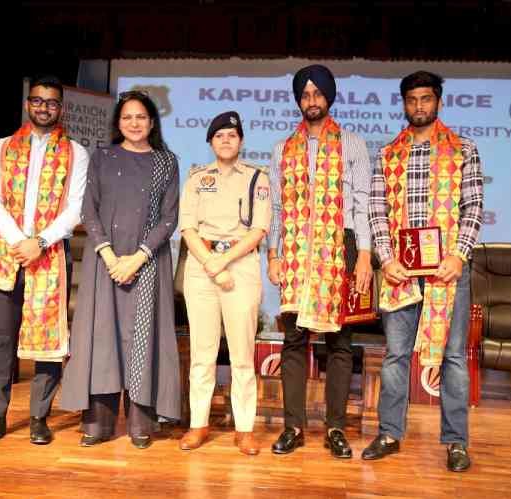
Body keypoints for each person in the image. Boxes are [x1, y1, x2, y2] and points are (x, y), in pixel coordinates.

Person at [362, 71, 484, 472]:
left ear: (438, 102)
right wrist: (385, 256)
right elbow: (376, 209)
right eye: (412, 100)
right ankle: (389, 432)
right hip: (401, 271)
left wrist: (458, 255)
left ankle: (456, 442)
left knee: (452, 357)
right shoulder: (387, 153)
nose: (419, 106)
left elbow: (473, 207)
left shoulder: (463, 149)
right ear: (404, 104)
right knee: (396, 355)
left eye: (426, 99)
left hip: (447, 271)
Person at [59, 90, 181, 449]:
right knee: (104, 339)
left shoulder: (166, 162)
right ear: (118, 123)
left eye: (141, 117)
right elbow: (89, 210)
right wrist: (111, 257)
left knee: (143, 338)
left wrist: (138, 257)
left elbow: (170, 217)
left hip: (147, 263)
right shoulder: (103, 157)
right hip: (106, 263)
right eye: (127, 117)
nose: (134, 123)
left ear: (152, 122)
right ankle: (99, 423)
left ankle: (141, 423)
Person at [0, 74, 89, 445]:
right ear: (28, 103)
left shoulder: (76, 152)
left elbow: (76, 207)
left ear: (61, 107)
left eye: (52, 102)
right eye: (38, 101)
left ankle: (40, 416)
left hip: (50, 254)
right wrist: (18, 240)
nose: (44, 107)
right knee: (1, 340)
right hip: (8, 253)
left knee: (49, 341)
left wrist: (39, 241)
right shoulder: (4, 147)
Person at [266, 64, 373, 459]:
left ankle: (335, 429)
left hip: (339, 245)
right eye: (305, 94)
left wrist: (363, 256)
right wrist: (273, 254)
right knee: (294, 340)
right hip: (295, 249)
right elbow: (276, 208)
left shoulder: (353, 144)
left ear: (329, 97)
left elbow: (361, 205)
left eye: (317, 93)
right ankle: (293, 426)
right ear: (299, 100)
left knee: (339, 343)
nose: (311, 101)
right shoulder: (282, 149)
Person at [178, 111, 271, 456]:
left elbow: (259, 230)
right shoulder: (196, 178)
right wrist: (212, 263)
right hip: (202, 266)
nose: (227, 140)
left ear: (241, 141)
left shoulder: (258, 178)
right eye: (219, 136)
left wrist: (222, 261)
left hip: (240, 266)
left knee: (242, 355)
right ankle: (198, 424)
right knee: (202, 353)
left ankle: (244, 428)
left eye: (232, 135)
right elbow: (187, 229)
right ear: (211, 142)